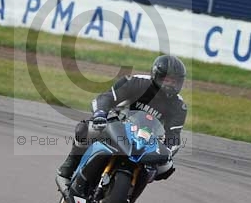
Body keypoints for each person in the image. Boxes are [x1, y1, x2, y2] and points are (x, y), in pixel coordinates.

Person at [56, 55, 188, 187]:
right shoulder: (136, 82)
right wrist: (100, 114)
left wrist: (168, 151)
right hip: (118, 126)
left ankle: (129, 192)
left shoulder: (179, 105)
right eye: (167, 80)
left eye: (174, 82)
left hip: (146, 141)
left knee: (166, 167)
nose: (171, 85)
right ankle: (68, 168)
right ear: (156, 75)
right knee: (85, 129)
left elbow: (174, 135)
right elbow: (106, 98)